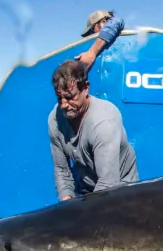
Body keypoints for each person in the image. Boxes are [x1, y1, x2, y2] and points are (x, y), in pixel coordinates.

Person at [48, 60, 139, 201]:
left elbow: (107, 183)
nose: (64, 105)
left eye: (70, 97)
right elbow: (62, 171)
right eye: (60, 98)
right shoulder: (55, 120)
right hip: (85, 191)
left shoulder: (104, 121)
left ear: (85, 88)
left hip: (121, 191)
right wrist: (66, 205)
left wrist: (85, 213)